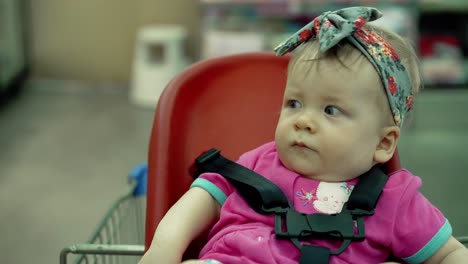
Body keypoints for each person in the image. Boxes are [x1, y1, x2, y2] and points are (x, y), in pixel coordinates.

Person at [138, 6, 468, 264]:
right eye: (294, 103)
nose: (303, 121)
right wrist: (165, 248)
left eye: (330, 111)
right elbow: (204, 197)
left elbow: (449, 253)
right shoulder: (258, 164)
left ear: (383, 143)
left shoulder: (396, 200)